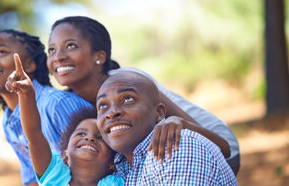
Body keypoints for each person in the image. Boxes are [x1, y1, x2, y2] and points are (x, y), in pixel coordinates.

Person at [95, 70, 276, 186]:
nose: (112, 112)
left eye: (128, 99)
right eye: (103, 105)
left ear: (159, 113)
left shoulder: (178, 148)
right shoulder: (120, 167)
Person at [47, 15, 240, 175]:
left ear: (99, 56)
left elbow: (199, 136)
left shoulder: (128, 82)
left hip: (216, 146)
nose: (58, 56)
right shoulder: (68, 102)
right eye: (52, 49)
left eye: (70, 46)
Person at [6, 53, 128, 186]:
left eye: (99, 138)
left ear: (112, 162)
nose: (89, 137)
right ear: (64, 153)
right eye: (80, 134)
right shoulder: (54, 173)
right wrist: (27, 95)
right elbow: (35, 136)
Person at [0, 29, 91, 186]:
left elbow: (93, 172)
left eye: (1, 52)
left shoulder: (56, 105)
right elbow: (35, 180)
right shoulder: (8, 121)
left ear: (30, 64)